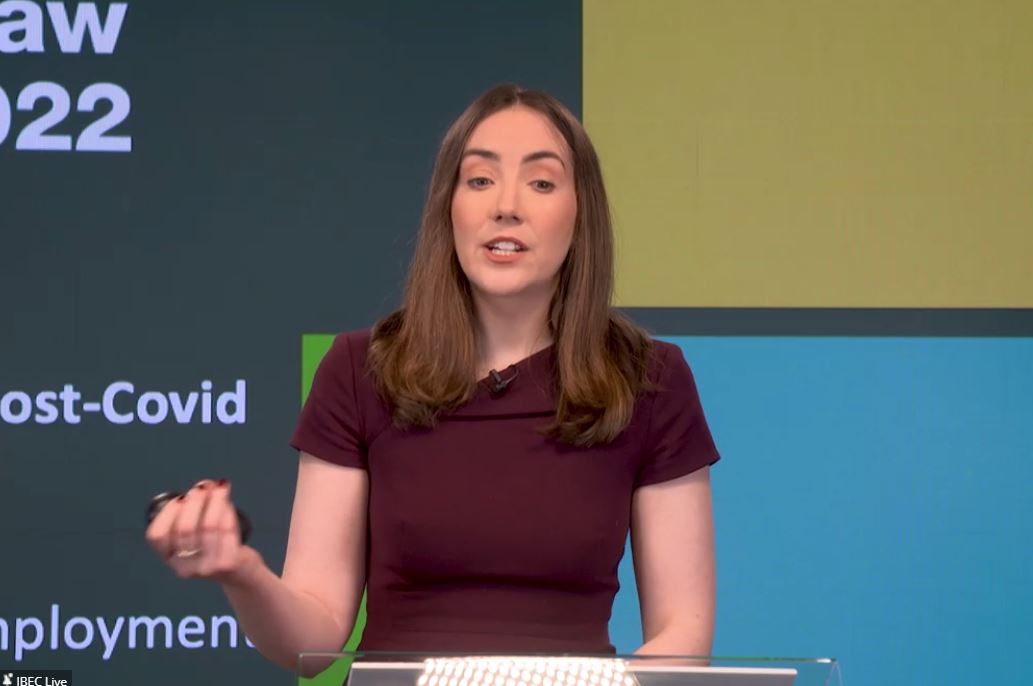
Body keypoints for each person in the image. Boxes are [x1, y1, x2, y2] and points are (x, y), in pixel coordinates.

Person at [144, 83, 720, 676]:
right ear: (450, 207)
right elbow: (313, 641)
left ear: (581, 215)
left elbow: (684, 632)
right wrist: (241, 571)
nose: (507, 206)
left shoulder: (649, 379)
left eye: (542, 182)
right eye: (480, 180)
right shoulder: (359, 370)